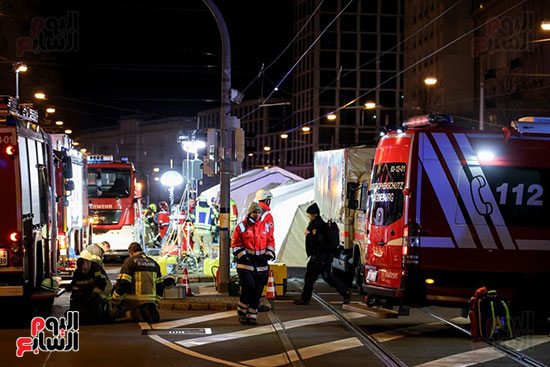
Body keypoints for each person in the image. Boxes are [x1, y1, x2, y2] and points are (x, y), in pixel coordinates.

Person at [294, 203, 351, 305]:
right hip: (325, 257)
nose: (308, 216)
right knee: (327, 277)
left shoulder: (317, 225)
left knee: (310, 278)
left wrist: (309, 235)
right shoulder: (319, 224)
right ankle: (345, 292)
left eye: (309, 215)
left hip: (319, 257)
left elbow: (318, 240)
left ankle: (305, 299)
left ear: (314, 215)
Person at [231, 202, 275, 325]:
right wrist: (243, 256)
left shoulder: (265, 226)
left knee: (258, 290)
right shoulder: (241, 227)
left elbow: (270, 241)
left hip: (261, 263)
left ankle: (252, 315)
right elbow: (235, 244)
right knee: (248, 287)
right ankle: (242, 312)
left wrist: (269, 254)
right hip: (246, 263)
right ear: (250, 213)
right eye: (255, 212)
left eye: (259, 212)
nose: (257, 215)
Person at [112, 242, 164, 323]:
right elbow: (160, 285)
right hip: (150, 302)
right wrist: (156, 301)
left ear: (131, 252)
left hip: (133, 301)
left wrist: (115, 298)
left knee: (113, 314)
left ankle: (131, 313)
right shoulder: (154, 263)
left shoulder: (130, 261)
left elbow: (124, 283)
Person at [69, 257, 112, 323]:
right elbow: (74, 283)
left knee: (100, 298)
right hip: (88, 290)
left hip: (103, 288)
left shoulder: (97, 269)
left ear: (88, 263)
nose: (83, 272)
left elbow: (102, 283)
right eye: (81, 270)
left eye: (85, 269)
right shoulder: (78, 271)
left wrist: (94, 293)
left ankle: (106, 313)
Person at [255, 189, 275, 312]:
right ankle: (256, 304)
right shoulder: (267, 216)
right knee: (260, 279)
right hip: (261, 251)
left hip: (251, 250)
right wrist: (270, 251)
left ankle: (250, 303)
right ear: (267, 200)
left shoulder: (252, 212)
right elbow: (269, 236)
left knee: (251, 279)